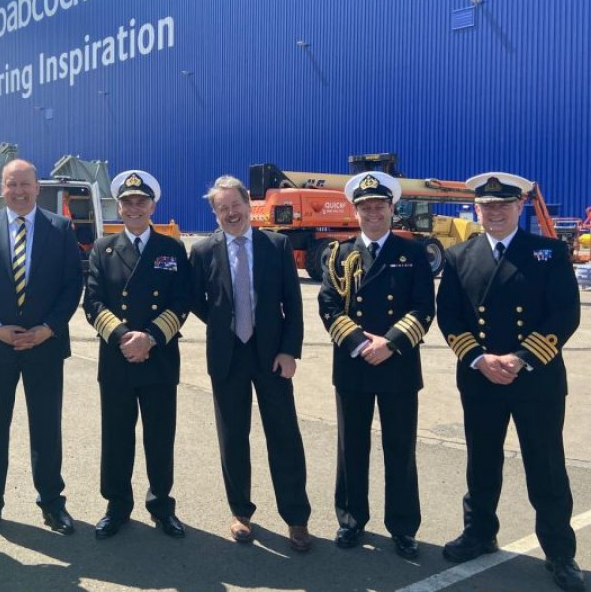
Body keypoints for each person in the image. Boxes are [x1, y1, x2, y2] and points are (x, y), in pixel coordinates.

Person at [437, 172, 583, 592]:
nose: (495, 212)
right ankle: (480, 532)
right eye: (487, 206)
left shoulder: (549, 252)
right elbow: (449, 315)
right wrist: (479, 358)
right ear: (476, 210)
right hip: (481, 378)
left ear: (520, 208)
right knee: (482, 461)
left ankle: (559, 553)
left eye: (504, 205)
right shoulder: (459, 256)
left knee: (546, 466)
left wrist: (520, 359)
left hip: (535, 379)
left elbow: (564, 315)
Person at [0, 158, 83, 538]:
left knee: (46, 428)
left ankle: (52, 503)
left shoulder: (60, 229)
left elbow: (71, 286)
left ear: (37, 187)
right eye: (11, 184)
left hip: (44, 347)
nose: (19, 191)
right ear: (2, 187)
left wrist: (48, 329)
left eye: (25, 184)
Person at [188, 175, 312, 551]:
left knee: (284, 436)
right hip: (228, 357)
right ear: (214, 212)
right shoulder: (203, 251)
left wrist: (289, 350)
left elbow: (293, 303)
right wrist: (226, 324)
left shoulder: (276, 245)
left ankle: (296, 518)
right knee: (233, 438)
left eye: (235, 205)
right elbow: (197, 299)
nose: (230, 213)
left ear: (248, 204)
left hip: (271, 355)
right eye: (221, 208)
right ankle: (241, 512)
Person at [317, 172, 435, 558]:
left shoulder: (413, 254)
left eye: (379, 206)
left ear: (391, 209)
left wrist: (392, 343)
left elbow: (423, 308)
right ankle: (351, 520)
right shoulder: (337, 254)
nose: (372, 213)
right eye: (365, 207)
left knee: (399, 448)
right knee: (352, 446)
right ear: (356, 211)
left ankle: (403, 527)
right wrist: (360, 342)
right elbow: (329, 306)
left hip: (398, 363)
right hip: (354, 364)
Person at [83, 170, 191, 539]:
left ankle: (161, 504)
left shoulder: (172, 249)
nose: (134, 208)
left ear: (152, 206)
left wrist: (151, 337)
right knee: (116, 436)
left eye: (141, 202)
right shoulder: (103, 248)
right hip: (117, 359)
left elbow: (182, 301)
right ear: (118, 206)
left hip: (158, 358)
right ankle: (117, 505)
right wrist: (124, 336)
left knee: (160, 436)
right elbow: (93, 302)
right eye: (127, 202)